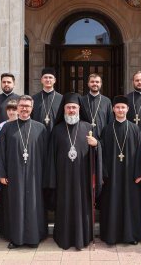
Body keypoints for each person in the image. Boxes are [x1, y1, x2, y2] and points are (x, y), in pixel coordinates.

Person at [46, 93, 102, 250]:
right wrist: (52, 179)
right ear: (64, 109)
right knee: (63, 206)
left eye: (74, 107)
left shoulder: (88, 128)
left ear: (79, 109)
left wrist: (96, 144)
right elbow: (51, 156)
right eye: (68, 107)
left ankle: (82, 237)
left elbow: (98, 153)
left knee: (81, 207)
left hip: (82, 178)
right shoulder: (57, 130)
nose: (71, 110)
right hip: (62, 178)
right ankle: (63, 238)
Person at [0, 95, 48, 249]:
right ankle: (16, 238)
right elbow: (1, 152)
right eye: (22, 106)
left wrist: (45, 175)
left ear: (32, 108)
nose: (24, 108)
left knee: (34, 205)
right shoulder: (7, 127)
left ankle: (34, 237)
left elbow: (46, 154)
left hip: (35, 175)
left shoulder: (40, 128)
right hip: (13, 174)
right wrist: (2, 173)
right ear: (17, 108)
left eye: (28, 106)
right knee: (15, 205)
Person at [99, 95, 141, 245]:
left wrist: (139, 172)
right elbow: (102, 153)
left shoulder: (135, 128)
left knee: (129, 204)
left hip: (130, 175)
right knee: (112, 204)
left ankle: (130, 235)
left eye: (123, 107)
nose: (120, 110)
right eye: (117, 107)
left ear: (127, 109)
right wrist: (103, 173)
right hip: (111, 175)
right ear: (113, 109)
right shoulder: (107, 129)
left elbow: (140, 152)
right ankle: (111, 236)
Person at [80, 73, 113, 139]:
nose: (95, 84)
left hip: (102, 138)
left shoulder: (107, 101)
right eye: (92, 82)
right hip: (85, 137)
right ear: (88, 84)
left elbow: (110, 121)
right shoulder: (82, 100)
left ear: (101, 84)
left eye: (97, 82)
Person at [32, 68, 62, 133]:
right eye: (45, 77)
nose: (48, 80)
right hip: (37, 133)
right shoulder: (34, 98)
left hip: (56, 134)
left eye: (50, 77)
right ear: (41, 80)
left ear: (54, 80)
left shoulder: (61, 98)